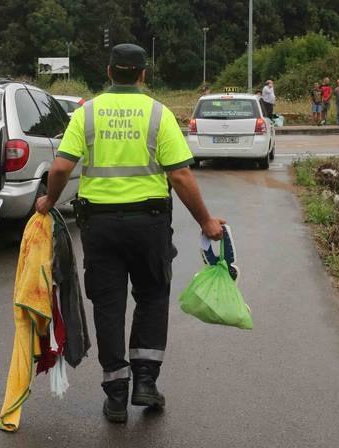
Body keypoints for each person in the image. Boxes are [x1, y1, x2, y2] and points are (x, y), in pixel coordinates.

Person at [36, 43, 225, 423]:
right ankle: (145, 384)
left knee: (108, 305)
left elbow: (59, 169)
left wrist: (48, 201)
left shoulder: (86, 113)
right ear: (143, 74)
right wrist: (206, 220)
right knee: (152, 297)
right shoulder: (159, 114)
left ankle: (117, 395)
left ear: (108, 72)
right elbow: (180, 174)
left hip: (99, 226)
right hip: (149, 224)